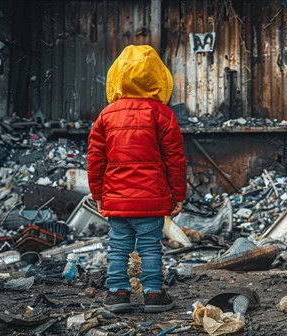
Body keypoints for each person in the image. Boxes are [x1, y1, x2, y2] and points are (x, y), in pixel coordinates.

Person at [87, 45, 186, 313]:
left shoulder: (107, 115)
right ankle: (153, 295)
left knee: (118, 247)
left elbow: (95, 160)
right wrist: (178, 195)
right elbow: (175, 159)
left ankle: (118, 293)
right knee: (151, 248)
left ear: (117, 75)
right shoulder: (163, 114)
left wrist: (98, 195)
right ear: (158, 77)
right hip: (151, 200)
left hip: (117, 199)